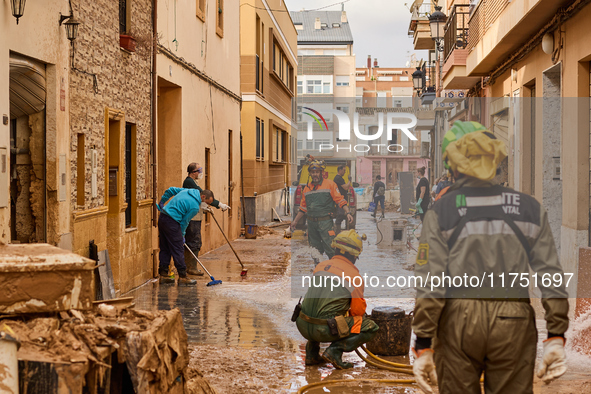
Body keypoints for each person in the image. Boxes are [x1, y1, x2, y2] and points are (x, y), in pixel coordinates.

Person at [411, 120, 569, 394]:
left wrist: (424, 342)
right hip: (515, 320)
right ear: (495, 158)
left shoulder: (442, 211)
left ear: (453, 164)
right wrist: (556, 335)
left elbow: (431, 281)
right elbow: (551, 274)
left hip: (458, 320)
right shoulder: (529, 208)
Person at [295, 230, 379, 369]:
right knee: (370, 327)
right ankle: (335, 351)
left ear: (335, 248)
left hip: (302, 323)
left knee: (316, 311)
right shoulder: (354, 276)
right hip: (324, 329)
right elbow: (358, 311)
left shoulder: (320, 266)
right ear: (354, 255)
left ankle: (311, 354)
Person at [291, 160, 353, 259]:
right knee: (315, 251)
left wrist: (348, 212)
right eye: (313, 172)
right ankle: (318, 270)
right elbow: (303, 208)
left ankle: (334, 271)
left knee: (331, 248)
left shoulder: (330, 184)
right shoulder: (307, 189)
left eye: (317, 172)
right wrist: (295, 221)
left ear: (321, 172)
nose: (315, 174)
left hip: (326, 224)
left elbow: (340, 200)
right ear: (310, 173)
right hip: (311, 225)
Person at [157, 187, 216, 285]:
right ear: (203, 197)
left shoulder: (187, 191)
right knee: (178, 249)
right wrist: (182, 235)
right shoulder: (194, 207)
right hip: (173, 222)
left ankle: (163, 274)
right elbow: (184, 222)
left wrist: (162, 201)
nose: (207, 205)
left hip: (163, 217)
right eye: (207, 203)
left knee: (165, 247)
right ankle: (183, 276)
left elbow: (170, 190)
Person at [183, 162, 230, 276]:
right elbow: (203, 195)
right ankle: (191, 267)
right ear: (193, 172)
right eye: (199, 170)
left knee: (195, 241)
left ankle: (190, 266)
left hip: (196, 216)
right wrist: (219, 204)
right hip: (192, 218)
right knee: (194, 241)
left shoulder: (193, 182)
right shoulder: (189, 182)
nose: (201, 172)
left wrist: (205, 207)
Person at [333, 165, 352, 232]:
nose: (344, 172)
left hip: (342, 200)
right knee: (340, 214)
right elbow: (346, 187)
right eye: (344, 170)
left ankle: (337, 230)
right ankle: (336, 230)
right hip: (339, 200)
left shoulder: (340, 178)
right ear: (340, 170)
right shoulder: (338, 178)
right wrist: (349, 181)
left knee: (341, 214)